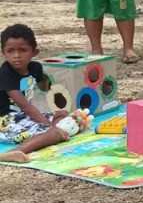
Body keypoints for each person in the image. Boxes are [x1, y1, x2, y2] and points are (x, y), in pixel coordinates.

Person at [0, 23, 88, 160]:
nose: (16, 55)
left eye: (23, 50)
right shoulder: (5, 73)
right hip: (6, 120)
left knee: (65, 116)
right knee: (54, 134)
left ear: (34, 52)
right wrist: (49, 126)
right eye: (10, 51)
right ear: (3, 53)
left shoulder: (35, 68)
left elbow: (46, 90)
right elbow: (25, 106)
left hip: (24, 116)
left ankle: (52, 130)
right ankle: (14, 152)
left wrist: (56, 114)